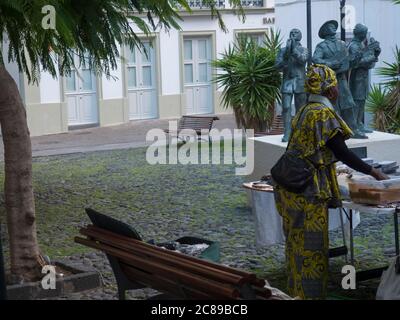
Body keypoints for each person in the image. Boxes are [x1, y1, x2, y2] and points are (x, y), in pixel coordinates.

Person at [273, 64, 388, 300]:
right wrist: (373, 172)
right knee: (312, 250)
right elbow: (343, 152)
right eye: (335, 84)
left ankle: (294, 293)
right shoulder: (322, 114)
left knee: (296, 245)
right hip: (307, 190)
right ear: (331, 90)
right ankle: (309, 296)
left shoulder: (305, 109)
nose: (337, 89)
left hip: (289, 187)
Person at [313, 20, 367, 139]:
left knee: (348, 104)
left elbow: (348, 62)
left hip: (342, 79)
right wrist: (331, 63)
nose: (334, 28)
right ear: (326, 31)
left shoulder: (342, 44)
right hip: (329, 81)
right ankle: (334, 131)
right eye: (331, 26)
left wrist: (356, 59)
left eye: (334, 26)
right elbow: (316, 60)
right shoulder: (322, 46)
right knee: (333, 106)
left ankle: (353, 129)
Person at [275, 29, 309, 142]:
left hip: (300, 82)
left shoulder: (304, 50)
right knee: (286, 107)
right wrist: (285, 56)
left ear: (300, 36)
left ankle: (300, 132)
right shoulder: (283, 50)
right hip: (287, 82)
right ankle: (287, 132)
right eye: (292, 32)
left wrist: (293, 50)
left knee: (301, 109)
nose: (293, 34)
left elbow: (303, 60)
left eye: (296, 32)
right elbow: (277, 66)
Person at [349, 23, 381, 133]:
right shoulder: (353, 46)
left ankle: (359, 123)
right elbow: (356, 63)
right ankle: (354, 126)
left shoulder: (361, 45)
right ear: (360, 34)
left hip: (362, 77)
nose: (365, 35)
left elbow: (367, 62)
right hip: (356, 78)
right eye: (364, 33)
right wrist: (372, 57)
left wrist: (375, 55)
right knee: (356, 101)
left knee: (361, 101)